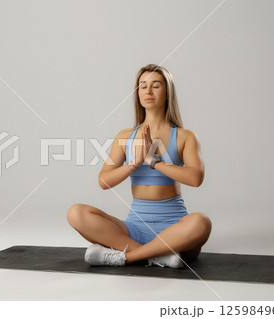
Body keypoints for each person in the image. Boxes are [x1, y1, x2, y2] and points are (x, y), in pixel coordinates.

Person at [66, 64, 212, 268]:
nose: (148, 91)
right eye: (143, 86)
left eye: (156, 85)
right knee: (76, 212)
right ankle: (159, 255)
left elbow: (195, 179)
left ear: (167, 92)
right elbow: (103, 182)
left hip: (174, 227)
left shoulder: (184, 136)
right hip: (134, 227)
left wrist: (153, 161)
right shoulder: (124, 136)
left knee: (202, 223)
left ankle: (127, 257)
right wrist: (134, 162)